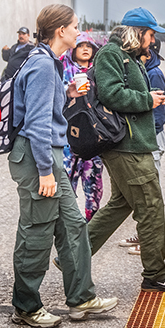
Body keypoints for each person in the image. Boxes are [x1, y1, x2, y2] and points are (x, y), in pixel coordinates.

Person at [8, 4, 118, 328]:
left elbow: (46, 110)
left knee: (73, 225)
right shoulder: (42, 65)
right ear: (60, 31)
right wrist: (45, 171)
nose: (78, 32)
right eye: (75, 27)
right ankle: (25, 306)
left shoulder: (49, 63)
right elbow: (38, 123)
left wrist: (67, 93)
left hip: (49, 155)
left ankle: (82, 298)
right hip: (37, 157)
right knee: (37, 231)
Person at [85, 8, 165, 293]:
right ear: (137, 32)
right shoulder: (111, 54)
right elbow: (111, 93)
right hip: (126, 148)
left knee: (122, 204)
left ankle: (72, 257)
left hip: (133, 145)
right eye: (151, 34)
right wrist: (148, 99)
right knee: (152, 208)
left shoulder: (129, 57)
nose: (153, 41)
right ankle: (156, 275)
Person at [119, 35, 165, 254]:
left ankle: (147, 242)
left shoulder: (154, 73)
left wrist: (147, 135)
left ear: (148, 52)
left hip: (152, 138)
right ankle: (143, 235)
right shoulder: (143, 70)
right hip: (147, 137)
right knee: (138, 193)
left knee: (151, 194)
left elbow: (158, 114)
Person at [60, 35, 104, 221]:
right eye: (81, 46)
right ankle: (66, 221)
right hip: (70, 135)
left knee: (93, 180)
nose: (85, 49)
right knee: (67, 178)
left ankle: (90, 220)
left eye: (89, 46)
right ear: (73, 50)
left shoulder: (99, 71)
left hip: (93, 135)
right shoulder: (64, 70)